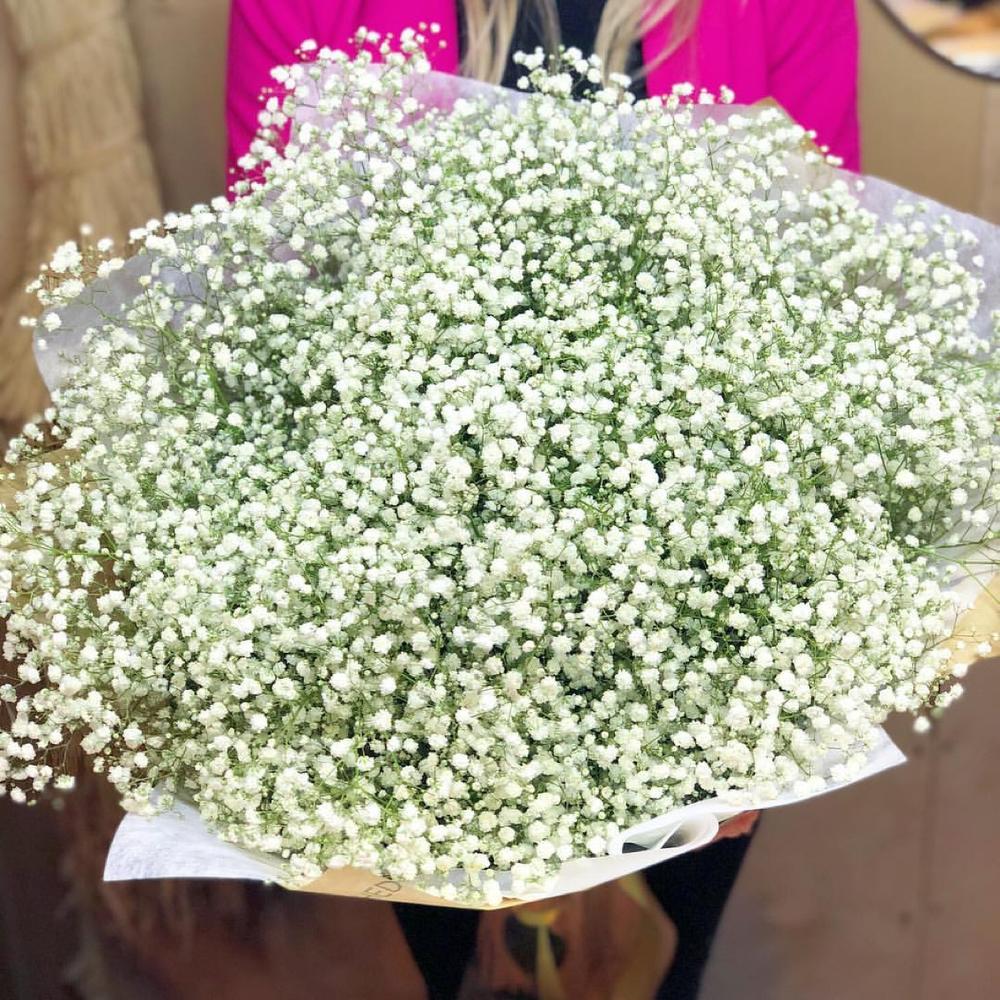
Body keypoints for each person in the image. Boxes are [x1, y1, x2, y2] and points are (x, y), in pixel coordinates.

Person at [225, 3, 859, 997]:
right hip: (416, 630)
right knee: (468, 973)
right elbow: (273, 300)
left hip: (701, 622)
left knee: (657, 967)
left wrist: (763, 716)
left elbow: (820, 297)